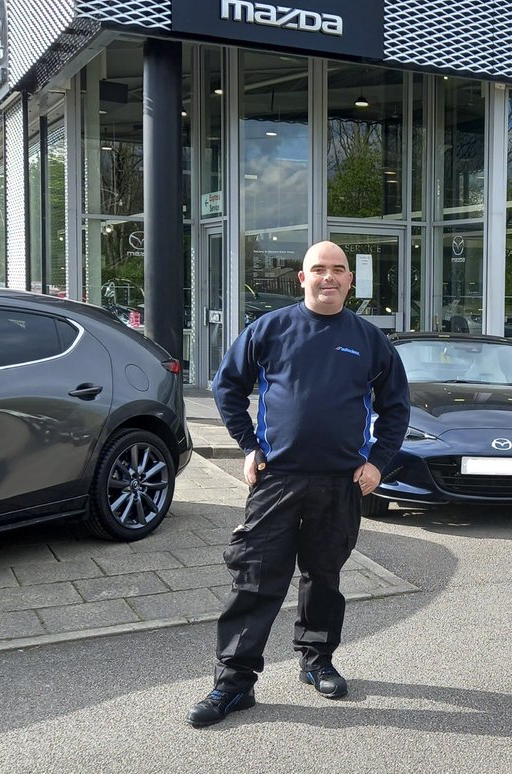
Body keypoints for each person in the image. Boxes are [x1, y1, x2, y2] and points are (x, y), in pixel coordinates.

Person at [186, 241, 410, 728]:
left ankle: (316, 659)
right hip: (277, 479)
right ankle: (234, 683)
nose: (328, 277)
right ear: (302, 278)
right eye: (318, 269)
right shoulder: (269, 329)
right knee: (255, 579)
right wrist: (248, 445)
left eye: (338, 270)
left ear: (351, 280)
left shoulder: (370, 340)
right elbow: (227, 387)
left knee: (324, 577)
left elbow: (396, 408)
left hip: (341, 482)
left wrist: (377, 462)